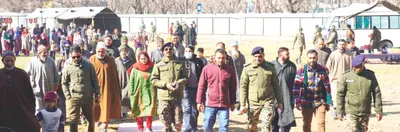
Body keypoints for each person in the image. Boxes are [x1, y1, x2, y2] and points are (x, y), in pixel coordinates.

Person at [239, 47, 282, 132]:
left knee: (266, 127)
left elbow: (276, 86)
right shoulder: (247, 68)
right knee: (252, 127)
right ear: (253, 57)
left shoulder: (270, 68)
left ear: (263, 56)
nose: (258, 58)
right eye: (256, 56)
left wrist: (280, 102)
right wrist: (243, 104)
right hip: (253, 102)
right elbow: (243, 87)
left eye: (260, 56)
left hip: (268, 101)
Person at [336, 55, 383, 132]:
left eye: (358, 67)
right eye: (354, 67)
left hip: (365, 111)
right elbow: (340, 94)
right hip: (351, 111)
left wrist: (378, 111)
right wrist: (339, 111)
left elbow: (376, 93)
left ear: (363, 65)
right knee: (352, 130)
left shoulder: (370, 76)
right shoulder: (346, 76)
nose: (355, 69)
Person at [151, 42, 188, 132]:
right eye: (166, 49)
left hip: (177, 97)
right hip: (164, 98)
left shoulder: (180, 63)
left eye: (170, 49)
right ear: (163, 51)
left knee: (178, 123)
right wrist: (166, 84)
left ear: (173, 50)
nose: (168, 51)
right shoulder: (158, 65)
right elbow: (153, 80)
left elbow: (185, 77)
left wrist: (179, 83)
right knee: (166, 125)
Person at [197, 49, 237, 132]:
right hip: (210, 104)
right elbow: (201, 86)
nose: (221, 60)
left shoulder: (230, 70)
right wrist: (199, 101)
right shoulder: (207, 69)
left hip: (224, 104)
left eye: (223, 58)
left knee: (224, 128)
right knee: (207, 127)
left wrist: (233, 102)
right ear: (215, 57)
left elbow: (233, 88)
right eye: (219, 58)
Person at [0, 51, 41, 132]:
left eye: (11, 60)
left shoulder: (22, 74)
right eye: (7, 61)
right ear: (3, 61)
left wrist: (31, 109)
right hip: (3, 109)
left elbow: (29, 93)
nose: (9, 63)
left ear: (15, 61)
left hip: (20, 108)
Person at [62, 46, 100, 132]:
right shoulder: (68, 68)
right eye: (73, 57)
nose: (76, 59)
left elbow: (94, 80)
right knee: (73, 121)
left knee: (91, 119)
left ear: (81, 55)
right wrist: (68, 96)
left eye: (78, 56)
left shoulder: (89, 66)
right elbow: (64, 83)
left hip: (87, 96)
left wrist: (97, 93)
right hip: (73, 98)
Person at [293, 49, 332, 132]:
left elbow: (327, 86)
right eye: (310, 58)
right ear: (307, 58)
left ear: (317, 58)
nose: (312, 60)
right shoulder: (301, 71)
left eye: (314, 58)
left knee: (321, 123)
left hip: (320, 101)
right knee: (306, 124)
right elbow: (296, 87)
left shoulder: (322, 69)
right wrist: (298, 102)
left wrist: (328, 102)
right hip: (306, 102)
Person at [89, 42, 122, 131]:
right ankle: (97, 120)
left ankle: (105, 124)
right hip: (95, 88)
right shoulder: (92, 60)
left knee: (106, 106)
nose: (101, 53)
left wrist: (116, 90)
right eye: (99, 51)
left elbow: (114, 76)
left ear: (105, 51)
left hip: (108, 89)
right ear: (96, 51)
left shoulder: (111, 60)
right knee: (96, 106)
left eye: (103, 51)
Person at [270, 47, 297, 132]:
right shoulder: (271, 66)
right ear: (280, 55)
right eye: (287, 54)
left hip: (287, 99)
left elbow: (294, 84)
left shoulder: (292, 66)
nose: (289, 56)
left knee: (286, 124)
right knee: (274, 122)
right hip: (274, 99)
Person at [129, 52, 157, 132]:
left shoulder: (152, 67)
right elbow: (132, 81)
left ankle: (149, 127)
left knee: (150, 110)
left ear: (147, 58)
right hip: (138, 92)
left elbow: (156, 77)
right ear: (139, 59)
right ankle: (140, 127)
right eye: (141, 59)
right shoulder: (135, 68)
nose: (143, 60)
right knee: (138, 109)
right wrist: (131, 91)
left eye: (145, 58)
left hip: (149, 92)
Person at [26, 45, 58, 114]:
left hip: (49, 87)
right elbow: (26, 74)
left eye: (46, 52)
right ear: (39, 53)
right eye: (43, 52)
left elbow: (56, 74)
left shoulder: (51, 61)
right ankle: (38, 121)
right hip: (37, 88)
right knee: (38, 106)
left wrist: (56, 83)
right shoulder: (32, 62)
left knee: (50, 104)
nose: (45, 54)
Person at [326, 39, 352, 119]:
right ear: (337, 45)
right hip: (335, 79)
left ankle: (343, 112)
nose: (342, 46)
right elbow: (328, 66)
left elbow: (352, 66)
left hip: (346, 79)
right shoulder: (333, 54)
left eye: (343, 44)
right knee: (335, 96)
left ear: (346, 45)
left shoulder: (349, 54)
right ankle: (335, 112)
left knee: (345, 96)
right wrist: (331, 76)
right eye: (340, 44)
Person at [183, 45, 204, 132]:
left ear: (193, 52)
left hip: (196, 89)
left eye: (189, 51)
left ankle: (194, 128)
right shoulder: (181, 61)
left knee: (195, 111)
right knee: (187, 109)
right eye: (186, 51)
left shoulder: (199, 61)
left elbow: (202, 76)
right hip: (186, 88)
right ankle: (188, 128)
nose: (187, 52)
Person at [115, 45, 135, 121]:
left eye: (125, 51)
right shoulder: (116, 60)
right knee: (119, 96)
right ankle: (118, 112)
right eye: (122, 51)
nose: (123, 53)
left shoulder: (130, 60)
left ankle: (124, 113)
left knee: (125, 97)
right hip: (119, 80)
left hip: (127, 80)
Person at [228, 40, 246, 112]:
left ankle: (237, 106)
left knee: (239, 92)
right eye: (233, 46)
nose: (235, 48)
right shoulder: (228, 56)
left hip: (239, 77)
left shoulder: (241, 56)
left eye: (236, 46)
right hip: (230, 77)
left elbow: (244, 66)